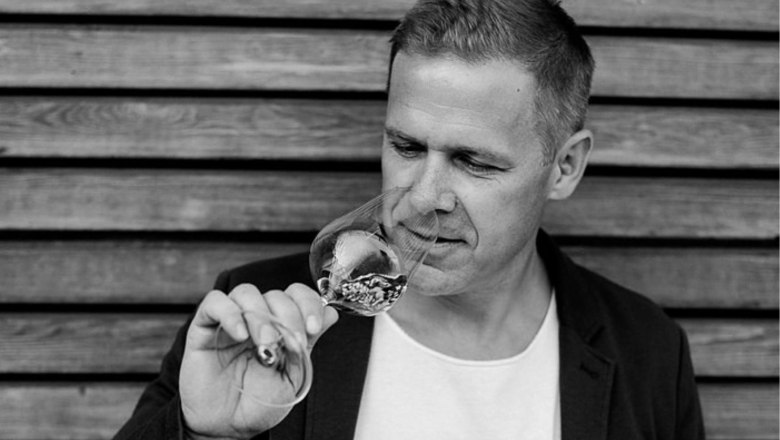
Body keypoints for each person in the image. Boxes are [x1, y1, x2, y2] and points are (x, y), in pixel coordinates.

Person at [114, 0, 705, 439]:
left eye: (473, 162)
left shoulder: (647, 353)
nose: (424, 198)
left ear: (565, 166)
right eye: (407, 147)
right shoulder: (259, 321)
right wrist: (205, 433)